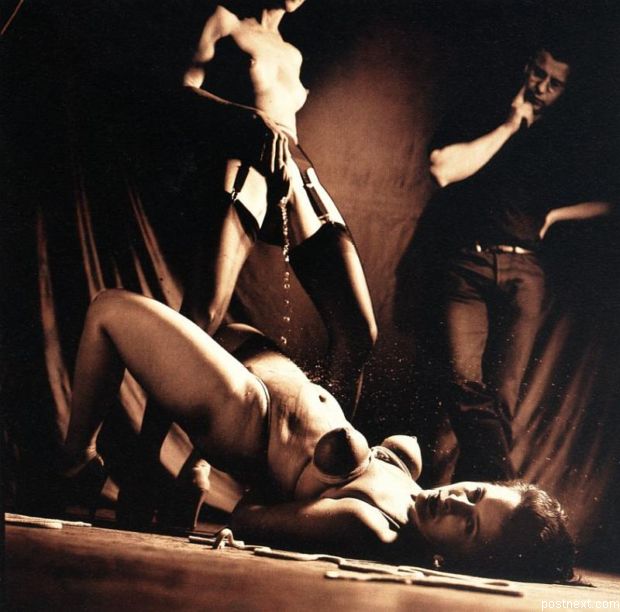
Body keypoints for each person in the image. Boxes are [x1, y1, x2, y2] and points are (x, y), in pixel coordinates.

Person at [62, 289, 575, 583]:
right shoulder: (410, 486)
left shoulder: (371, 526)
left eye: (468, 525)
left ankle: (77, 461)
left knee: (109, 311)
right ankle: (183, 474)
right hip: (260, 363)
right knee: (206, 308)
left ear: (457, 563)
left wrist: (270, 468)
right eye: (476, 494)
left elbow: (249, 518)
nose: (456, 501)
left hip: (244, 410)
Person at [176, 0, 377, 414]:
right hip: (240, 155)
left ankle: (327, 447)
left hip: (293, 167)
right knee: (202, 316)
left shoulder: (293, 52)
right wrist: (245, 118)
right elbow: (181, 92)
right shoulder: (225, 21)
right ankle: (146, 448)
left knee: (357, 331)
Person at [426, 42, 615, 482]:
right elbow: (441, 169)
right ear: (526, 67)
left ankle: (478, 501)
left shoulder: (565, 140)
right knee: (463, 384)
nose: (542, 88)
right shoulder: (484, 112)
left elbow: (611, 200)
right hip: (466, 269)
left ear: (565, 90)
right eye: (538, 74)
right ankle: (507, 489)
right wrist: (510, 125)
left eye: (555, 84)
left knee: (502, 399)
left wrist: (556, 215)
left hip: (524, 274)